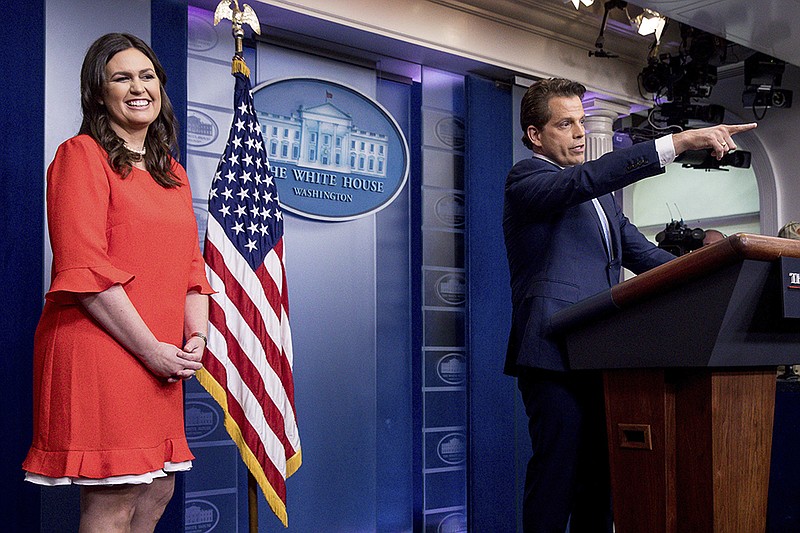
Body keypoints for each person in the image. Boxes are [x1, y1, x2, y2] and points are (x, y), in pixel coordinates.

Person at [503, 77, 756, 532]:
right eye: (566, 124)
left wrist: (724, 268)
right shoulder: (527, 179)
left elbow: (649, 260)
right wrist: (676, 142)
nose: (580, 133)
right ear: (535, 135)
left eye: (582, 122)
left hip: (601, 354)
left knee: (602, 480)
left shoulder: (601, 200)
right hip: (552, 353)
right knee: (557, 475)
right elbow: (583, 179)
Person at [22, 33, 213, 532]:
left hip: (161, 357)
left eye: (146, 76)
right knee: (116, 495)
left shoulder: (171, 172)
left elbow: (193, 268)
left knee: (158, 489)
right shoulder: (81, 155)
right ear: (98, 92)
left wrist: (197, 337)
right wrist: (152, 349)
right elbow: (84, 273)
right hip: (106, 349)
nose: (138, 87)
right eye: (121, 77)